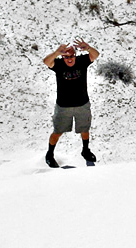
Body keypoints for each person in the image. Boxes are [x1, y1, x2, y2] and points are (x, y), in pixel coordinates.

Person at [43, 38, 100, 168]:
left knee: (84, 129)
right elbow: (46, 61)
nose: (69, 59)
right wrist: (57, 52)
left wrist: (88, 48)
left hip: (82, 104)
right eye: (66, 56)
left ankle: (85, 150)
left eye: (71, 56)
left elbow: (96, 55)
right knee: (57, 131)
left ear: (75, 55)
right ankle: (50, 154)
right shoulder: (58, 64)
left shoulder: (82, 61)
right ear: (62, 57)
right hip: (63, 106)